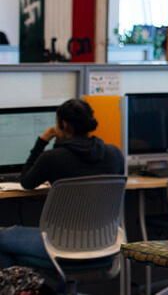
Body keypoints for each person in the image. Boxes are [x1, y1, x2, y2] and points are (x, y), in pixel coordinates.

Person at [1, 98, 125, 267]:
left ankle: (27, 290)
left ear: (64, 125)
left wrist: (43, 141)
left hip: (59, 246)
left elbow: (26, 181)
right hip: (104, 246)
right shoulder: (115, 154)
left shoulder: (52, 158)